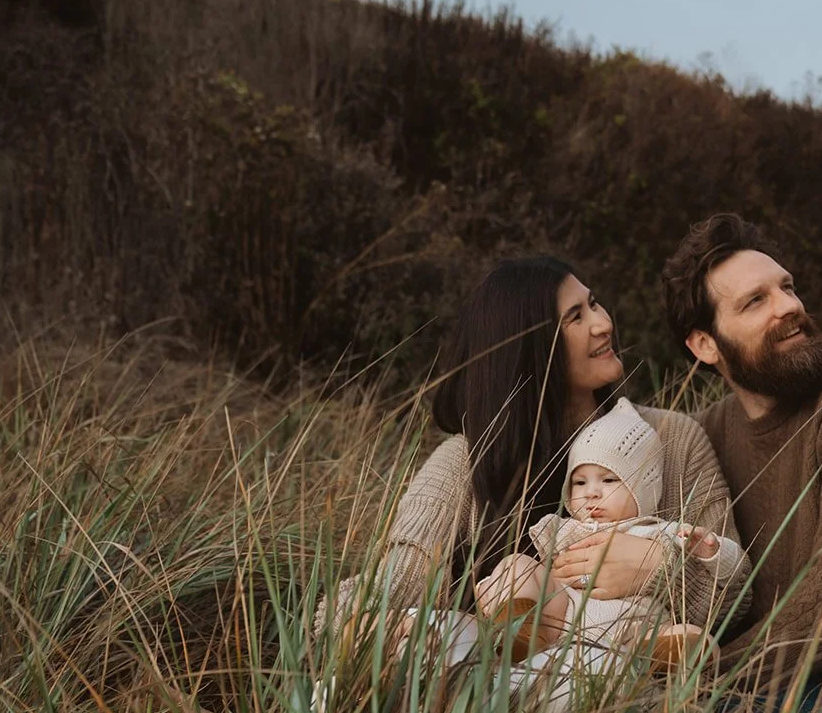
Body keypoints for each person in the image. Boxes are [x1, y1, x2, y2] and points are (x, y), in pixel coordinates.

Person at [316, 256, 746, 648]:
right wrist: (374, 622)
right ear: (531, 348)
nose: (602, 323)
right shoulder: (462, 462)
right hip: (498, 700)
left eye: (594, 304)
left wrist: (661, 571)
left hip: (632, 693)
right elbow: (392, 583)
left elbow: (738, 598)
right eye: (576, 317)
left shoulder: (673, 438)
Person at [660, 214, 822, 701]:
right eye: (756, 301)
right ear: (705, 344)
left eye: (787, 287)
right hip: (738, 693)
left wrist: (693, 684)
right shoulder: (702, 434)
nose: (789, 306)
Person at [474, 397, 745, 668]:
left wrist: (712, 551)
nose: (591, 492)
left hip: (634, 625)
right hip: (564, 619)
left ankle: (657, 658)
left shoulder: (658, 531)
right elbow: (540, 576)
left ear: (644, 489)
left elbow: (734, 574)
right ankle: (519, 630)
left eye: (609, 480)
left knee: (697, 637)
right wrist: (495, 589)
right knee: (516, 565)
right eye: (580, 482)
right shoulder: (565, 530)